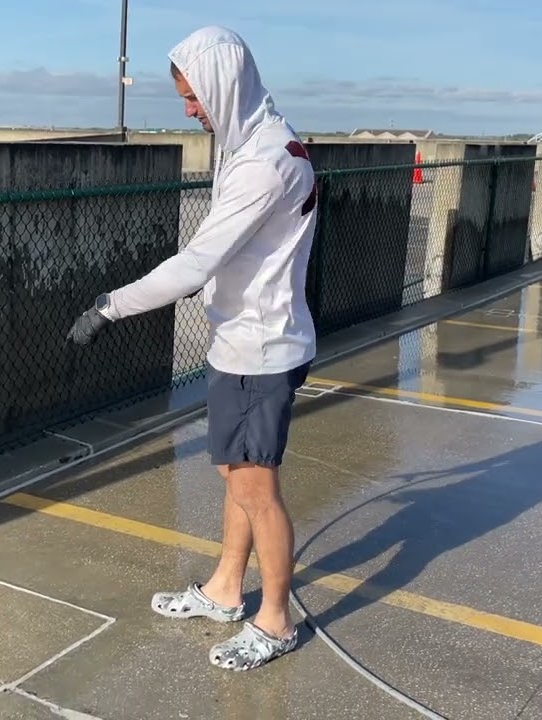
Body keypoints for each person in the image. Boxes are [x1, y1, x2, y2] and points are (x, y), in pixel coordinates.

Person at [66, 25, 319, 671]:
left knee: (257, 488)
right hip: (241, 341)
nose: (188, 109)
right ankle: (227, 590)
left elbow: (196, 261)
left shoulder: (264, 162)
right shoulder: (251, 143)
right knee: (234, 476)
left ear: (223, 86)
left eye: (193, 95)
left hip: (264, 349)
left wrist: (108, 305)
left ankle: (275, 620)